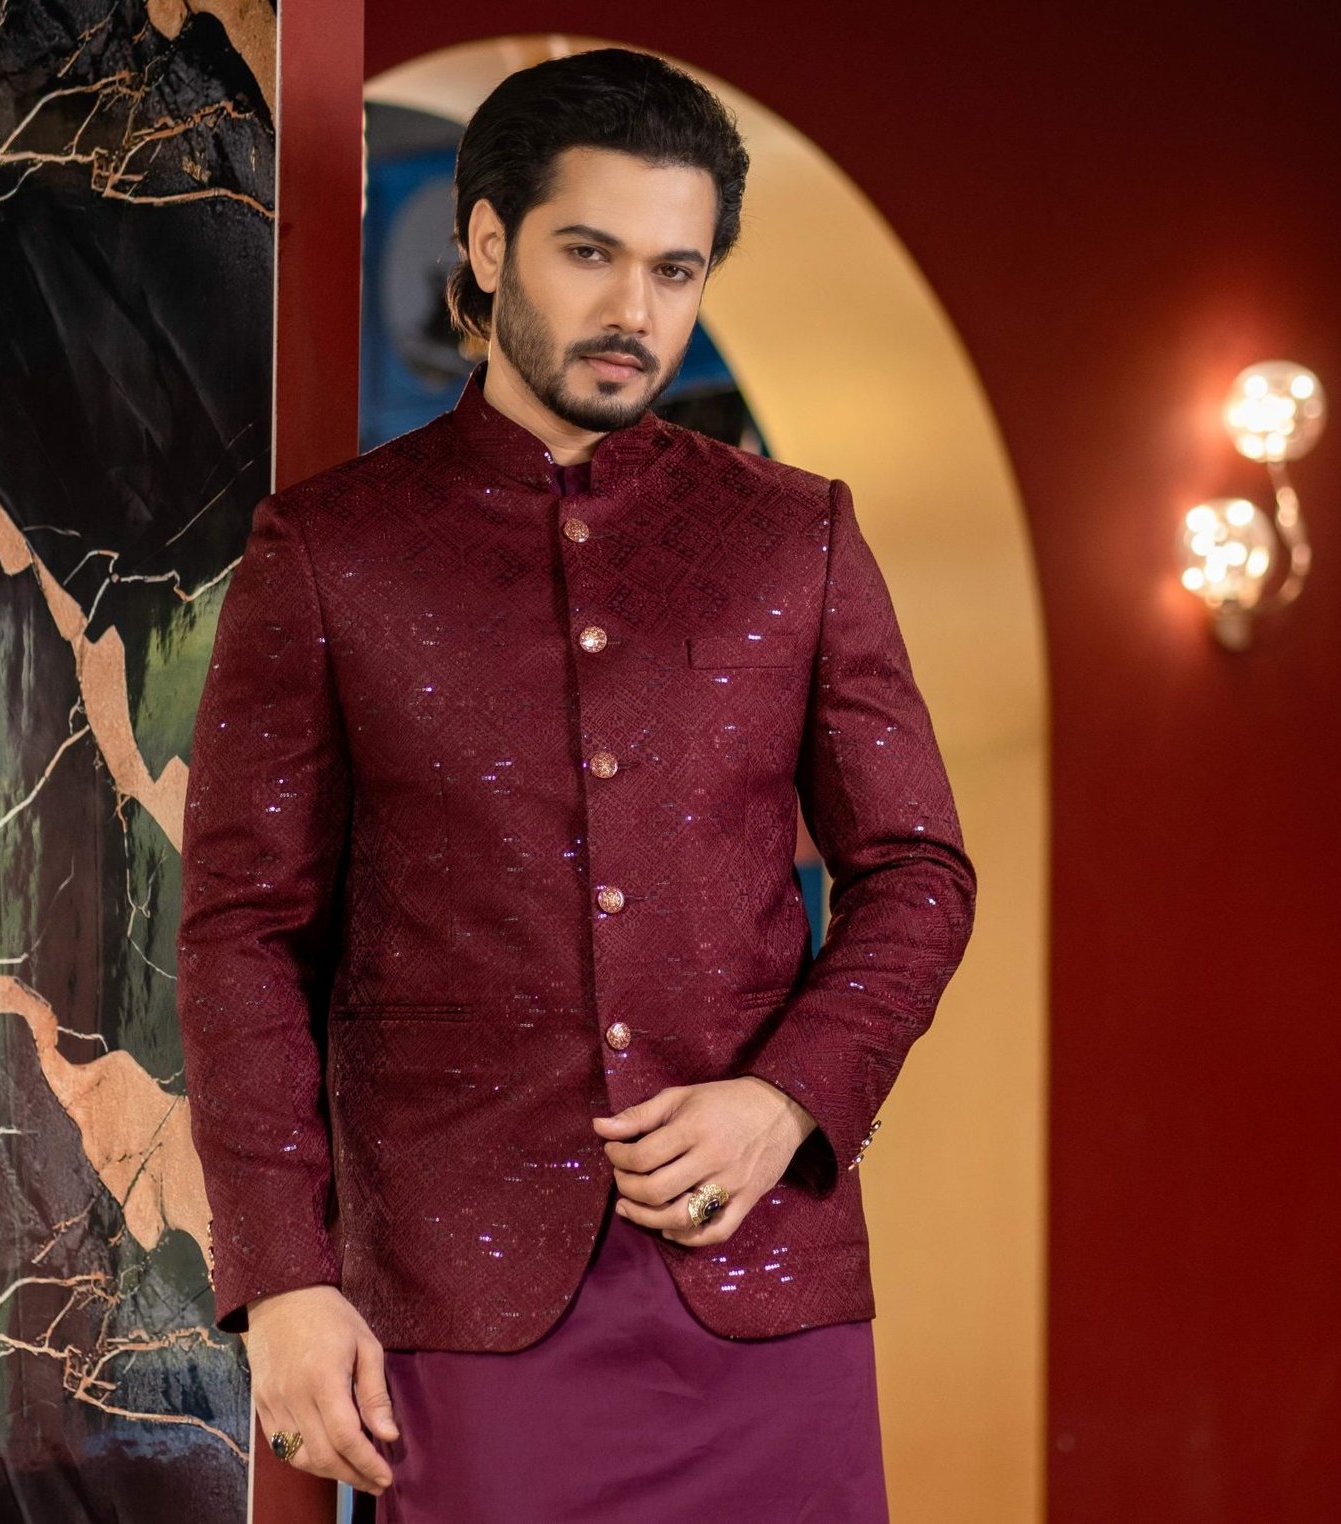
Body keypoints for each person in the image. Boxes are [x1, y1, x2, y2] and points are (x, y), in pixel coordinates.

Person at [174, 46, 977, 1522]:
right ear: (487, 244)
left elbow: (919, 873)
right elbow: (244, 931)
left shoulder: (794, 537)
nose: (635, 315)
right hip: (461, 1306)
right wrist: (282, 1276)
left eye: (676, 271)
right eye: (591, 254)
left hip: (764, 1285)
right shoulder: (331, 550)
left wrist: (788, 1101)